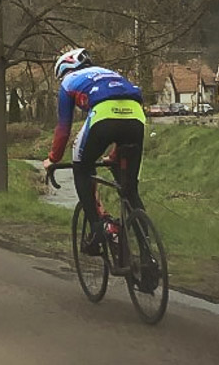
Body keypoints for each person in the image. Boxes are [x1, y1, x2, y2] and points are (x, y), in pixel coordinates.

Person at [41, 48, 146, 257]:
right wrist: (115, 155)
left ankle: (98, 229)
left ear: (64, 69)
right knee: (130, 189)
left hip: (103, 117)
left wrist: (53, 159)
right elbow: (124, 113)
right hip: (136, 117)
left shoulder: (68, 82)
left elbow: (63, 128)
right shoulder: (111, 73)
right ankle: (147, 253)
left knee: (81, 169)